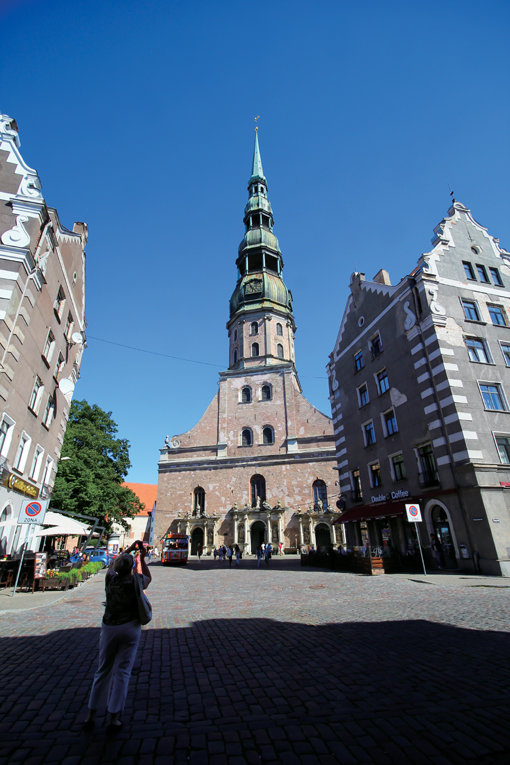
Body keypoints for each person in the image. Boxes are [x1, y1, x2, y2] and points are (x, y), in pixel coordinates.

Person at [83, 540, 152, 731]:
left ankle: (90, 715)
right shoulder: (135, 581)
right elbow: (147, 576)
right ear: (130, 567)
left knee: (103, 669)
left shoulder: (110, 578)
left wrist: (128, 550)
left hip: (110, 627)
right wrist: (142, 559)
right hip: (130, 627)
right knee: (122, 671)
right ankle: (114, 717)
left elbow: (113, 563)